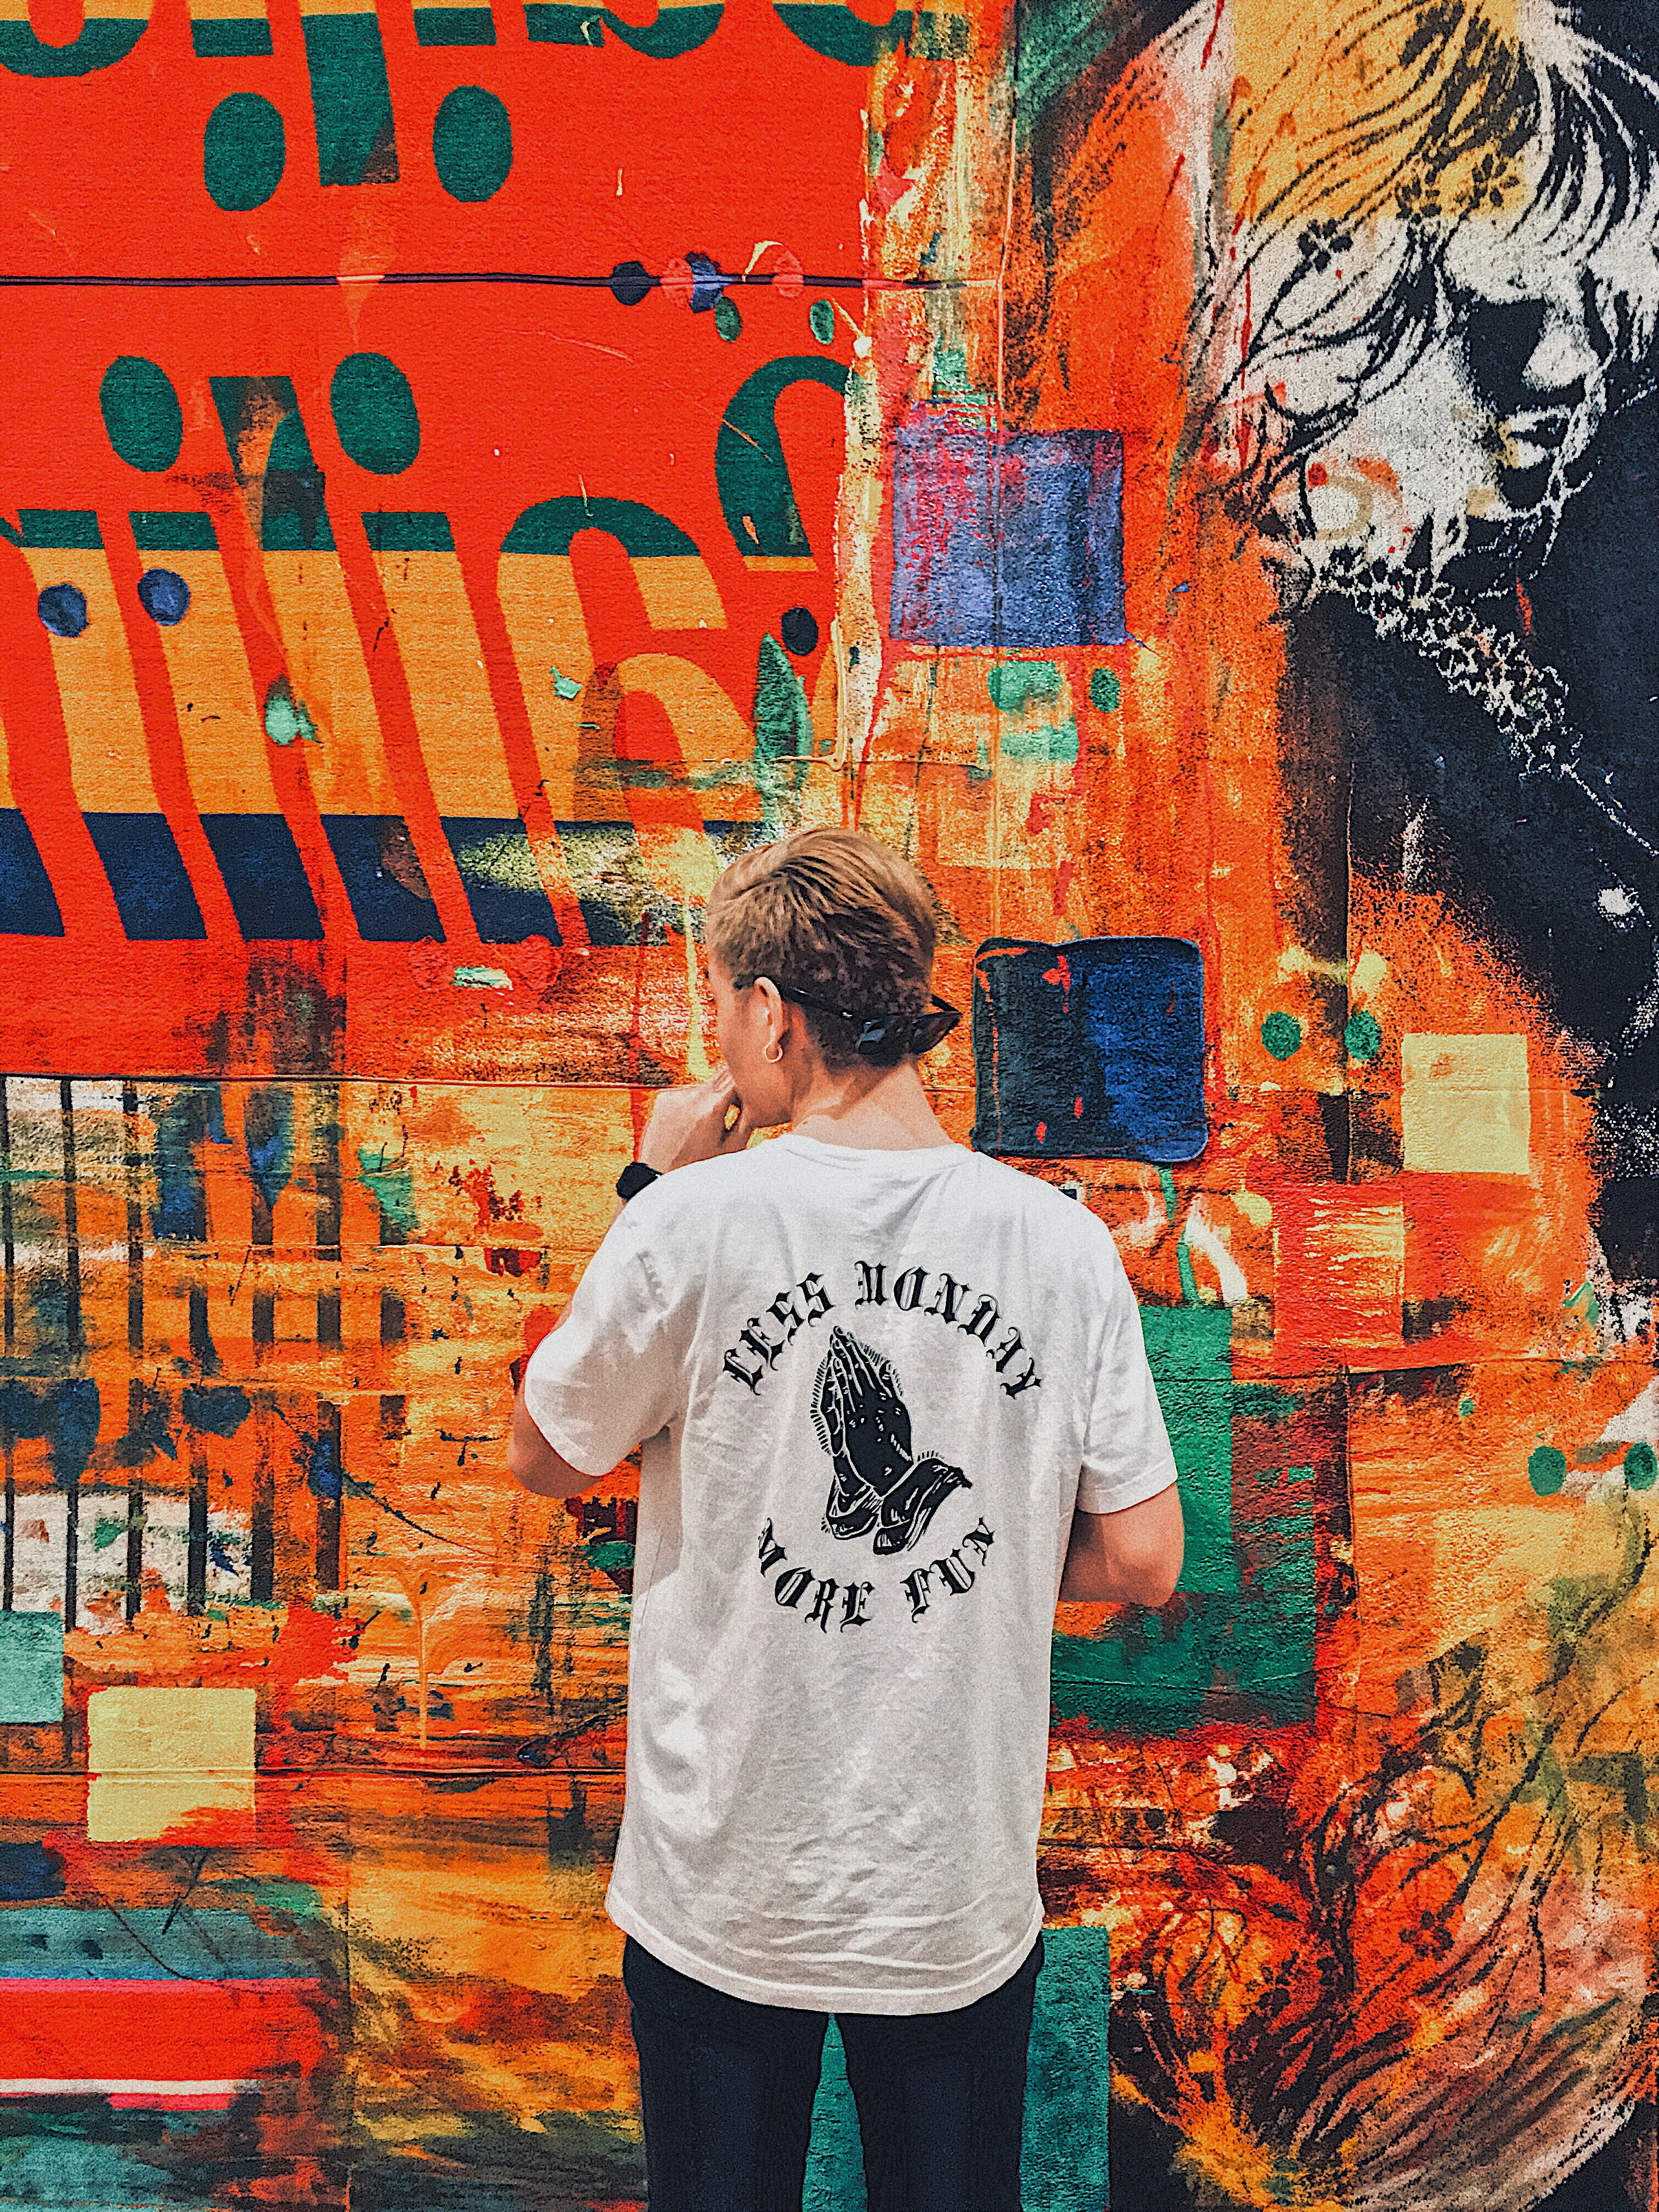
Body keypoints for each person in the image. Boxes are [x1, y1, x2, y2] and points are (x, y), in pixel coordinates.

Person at [507, 824, 1184, 2210]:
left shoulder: (694, 1222)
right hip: (948, 1892)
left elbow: (543, 1453)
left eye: (716, 1001)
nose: (716, 1035)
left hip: (724, 1888)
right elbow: (1143, 1557)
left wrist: (652, 1182)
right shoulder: (1060, 1244)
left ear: (771, 1010)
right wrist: (981, 1534)